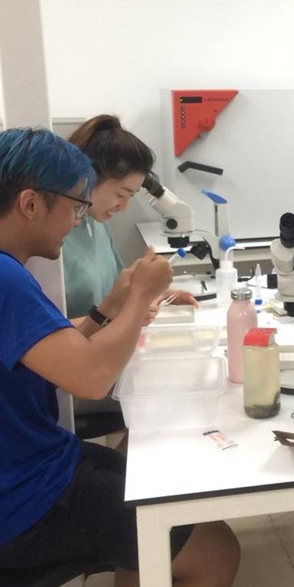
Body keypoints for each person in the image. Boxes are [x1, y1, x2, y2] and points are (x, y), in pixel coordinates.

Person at [0, 128, 239, 587]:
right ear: (32, 204)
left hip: (3, 481)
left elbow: (49, 346)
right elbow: (91, 379)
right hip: (13, 512)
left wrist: (111, 306)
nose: (78, 222)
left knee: (155, 480)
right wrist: (140, 294)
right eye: (76, 208)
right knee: (216, 552)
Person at [64, 114, 197, 420]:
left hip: (110, 358)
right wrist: (130, 311)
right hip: (75, 378)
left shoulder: (94, 223)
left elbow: (118, 292)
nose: (123, 207)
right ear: (88, 177)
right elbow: (44, 335)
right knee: (174, 402)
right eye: (121, 195)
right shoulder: (55, 238)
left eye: (131, 197)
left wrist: (156, 294)